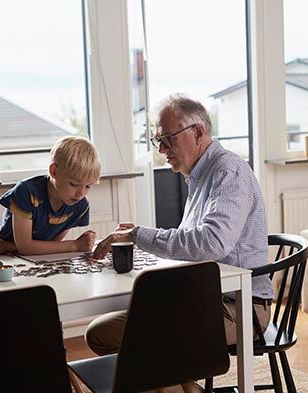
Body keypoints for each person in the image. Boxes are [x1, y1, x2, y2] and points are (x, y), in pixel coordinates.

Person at [86, 94, 272, 358]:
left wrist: (139, 235)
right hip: (201, 297)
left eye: (168, 139)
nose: (161, 150)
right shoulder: (199, 176)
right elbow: (191, 242)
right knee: (100, 331)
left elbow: (212, 243)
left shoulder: (228, 171)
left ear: (198, 132)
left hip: (240, 309)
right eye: (158, 141)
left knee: (123, 337)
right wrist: (139, 241)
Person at [0, 136, 101, 256]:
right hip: (8, 260)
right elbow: (25, 248)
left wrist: (6, 246)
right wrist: (75, 245)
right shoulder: (26, 192)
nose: (81, 193)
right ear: (54, 171)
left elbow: (53, 244)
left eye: (88, 186)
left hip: (40, 259)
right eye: (74, 184)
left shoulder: (79, 204)